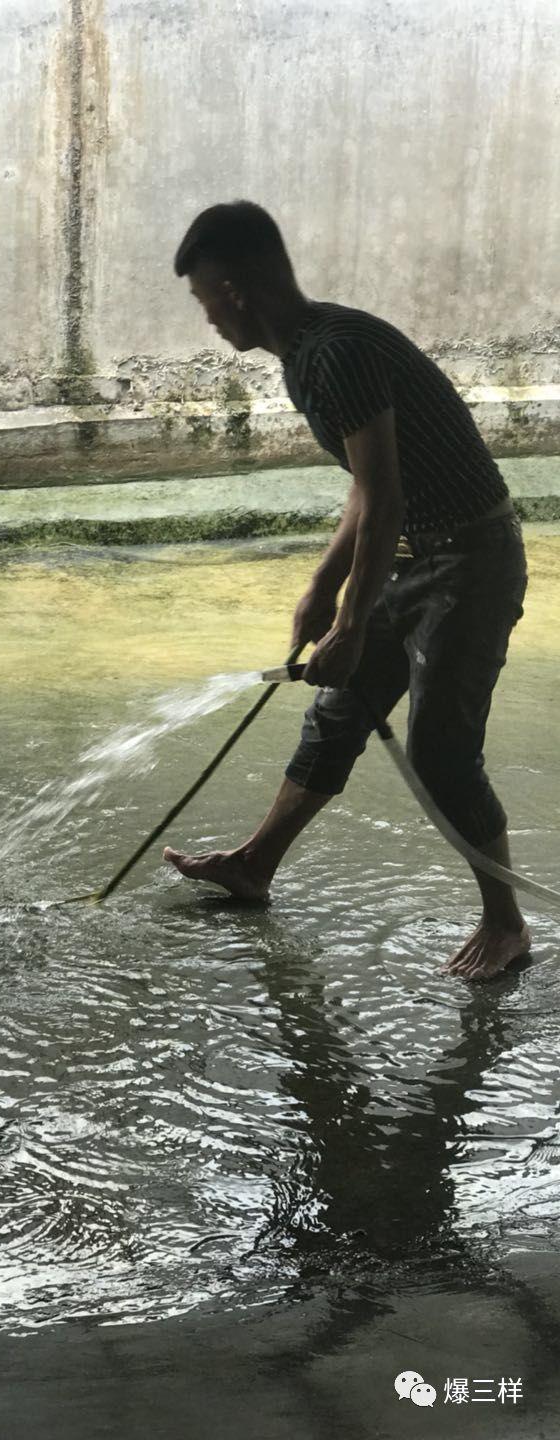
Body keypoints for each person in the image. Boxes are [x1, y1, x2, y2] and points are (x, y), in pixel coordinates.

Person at [163, 200, 529, 981]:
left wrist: (354, 625)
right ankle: (255, 864)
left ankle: (507, 924)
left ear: (232, 289)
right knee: (336, 715)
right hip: (409, 557)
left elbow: (386, 493)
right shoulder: (307, 355)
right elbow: (367, 496)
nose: (206, 320)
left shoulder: (339, 353)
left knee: (440, 750)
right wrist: (322, 591)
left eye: (202, 301)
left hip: (471, 562)